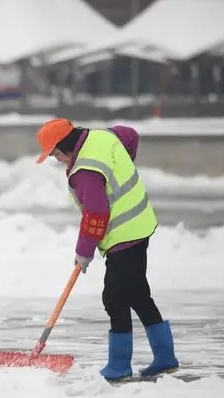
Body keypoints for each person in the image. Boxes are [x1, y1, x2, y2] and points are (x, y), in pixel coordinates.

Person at [35, 118, 179, 381]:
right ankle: (165, 357)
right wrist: (122, 165)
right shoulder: (100, 137)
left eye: (55, 153)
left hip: (123, 237)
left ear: (64, 145)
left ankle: (119, 365)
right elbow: (130, 135)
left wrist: (84, 251)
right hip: (140, 224)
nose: (56, 159)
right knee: (137, 294)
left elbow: (97, 213)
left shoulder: (85, 172)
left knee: (114, 298)